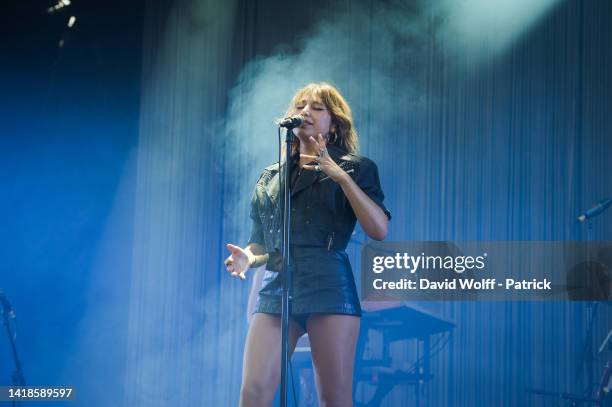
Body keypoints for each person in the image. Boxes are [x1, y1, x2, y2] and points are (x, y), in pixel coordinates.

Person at [224, 82, 391, 407]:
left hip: (328, 282)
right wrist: (247, 257)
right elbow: (260, 244)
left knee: (334, 397)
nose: (304, 112)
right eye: (300, 105)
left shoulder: (357, 167)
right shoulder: (269, 178)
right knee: (253, 391)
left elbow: (378, 229)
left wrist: (341, 176)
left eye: (316, 107)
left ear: (335, 123)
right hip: (276, 284)